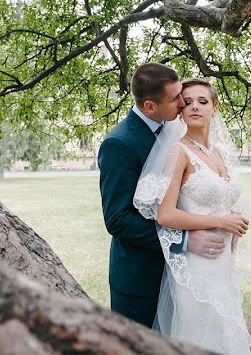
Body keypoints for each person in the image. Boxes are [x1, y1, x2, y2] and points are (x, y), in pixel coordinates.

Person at [98, 63, 227, 328]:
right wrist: (183, 241)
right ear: (149, 107)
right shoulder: (119, 144)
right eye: (176, 99)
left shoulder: (174, 128)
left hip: (185, 276)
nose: (183, 104)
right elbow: (118, 219)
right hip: (141, 278)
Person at [133, 77, 251, 355]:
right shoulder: (178, 152)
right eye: (187, 103)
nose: (195, 107)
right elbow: (166, 214)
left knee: (225, 331)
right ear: (181, 112)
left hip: (222, 262)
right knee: (199, 334)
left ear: (215, 108)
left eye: (203, 101)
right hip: (196, 264)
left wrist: (232, 217)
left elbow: (219, 198)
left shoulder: (221, 152)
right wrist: (221, 221)